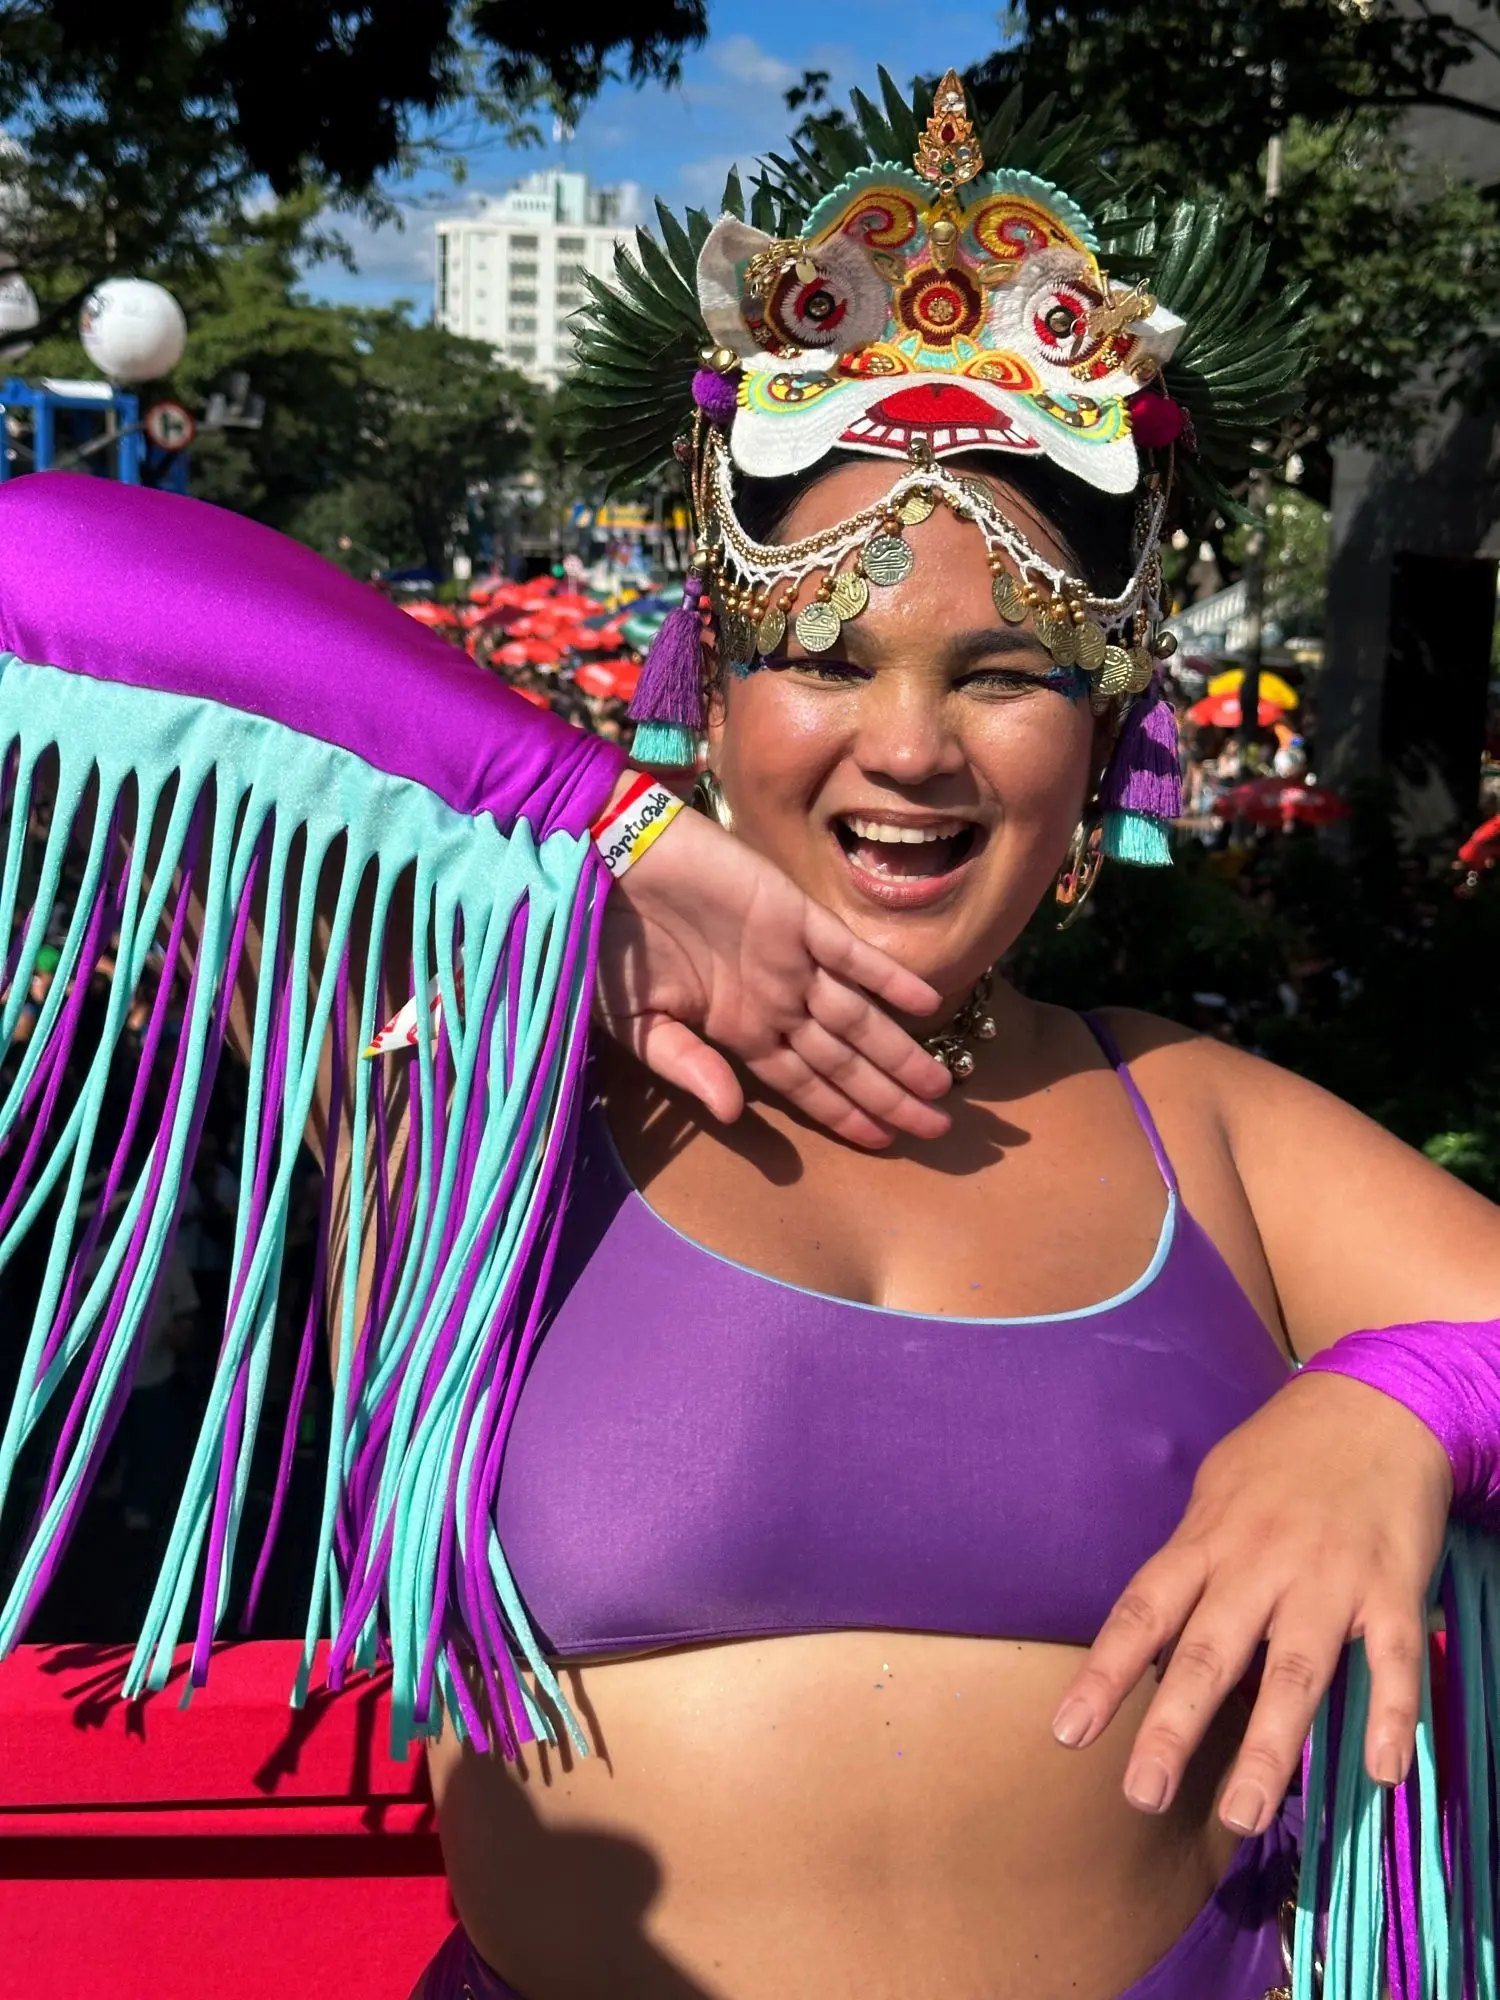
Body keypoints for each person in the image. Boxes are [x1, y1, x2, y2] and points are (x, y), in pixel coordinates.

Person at [0, 66, 1495, 2000]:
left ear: (1113, 731)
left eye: (1007, 675)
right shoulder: (460, 1082)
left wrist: (1394, 1410)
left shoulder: (1194, 1117)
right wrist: (589, 836)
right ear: (703, 694)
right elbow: (37, 570)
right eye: (822, 659)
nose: (908, 748)